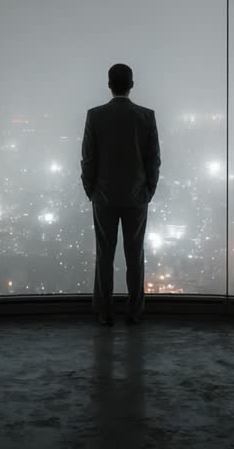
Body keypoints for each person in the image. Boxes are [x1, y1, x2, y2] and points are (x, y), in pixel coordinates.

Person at [80, 63, 160, 326]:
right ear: (132, 84)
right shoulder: (146, 117)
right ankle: (135, 312)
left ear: (109, 84)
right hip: (136, 196)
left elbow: (88, 158)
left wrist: (90, 189)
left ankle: (104, 312)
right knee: (135, 255)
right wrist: (148, 191)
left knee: (105, 254)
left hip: (103, 196)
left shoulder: (95, 116)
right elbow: (153, 161)